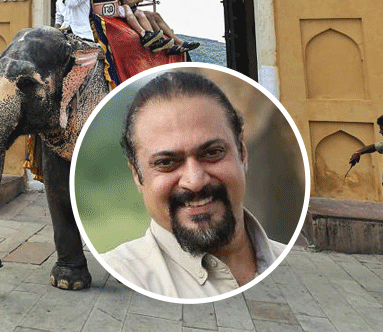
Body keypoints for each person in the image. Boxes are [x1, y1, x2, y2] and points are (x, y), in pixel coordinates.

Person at [101, 70, 286, 299]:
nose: (195, 181)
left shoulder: (287, 260)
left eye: (212, 153)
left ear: (243, 154)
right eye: (167, 163)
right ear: (137, 175)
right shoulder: (122, 276)